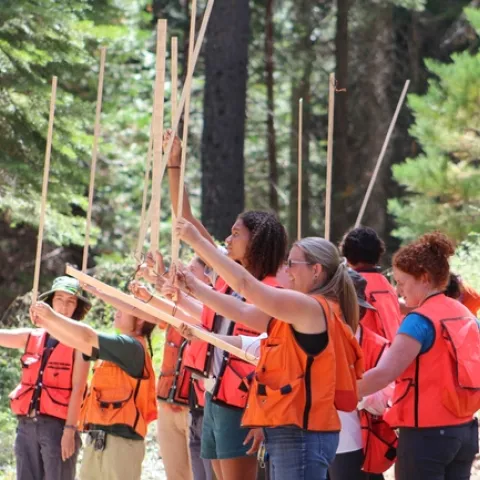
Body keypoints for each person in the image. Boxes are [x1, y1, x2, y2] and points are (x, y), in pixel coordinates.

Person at [172, 218, 363, 480]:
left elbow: (245, 285)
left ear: (316, 270)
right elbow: (242, 311)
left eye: (292, 263)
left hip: (302, 435)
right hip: (293, 431)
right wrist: (193, 287)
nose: (287, 269)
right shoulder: (302, 309)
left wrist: (197, 241)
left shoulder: (309, 307)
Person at [358, 232, 480, 480]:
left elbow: (384, 374)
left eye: (401, 282)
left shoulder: (419, 321)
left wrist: (338, 391)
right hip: (465, 431)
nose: (398, 290)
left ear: (424, 278)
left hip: (426, 435)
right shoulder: (465, 314)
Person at [30, 283, 158, 480]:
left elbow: (87, 336)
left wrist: (52, 316)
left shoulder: (132, 348)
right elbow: (77, 342)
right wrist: (46, 323)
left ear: (140, 318)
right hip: (98, 439)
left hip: (121, 443)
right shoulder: (121, 345)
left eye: (124, 307)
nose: (117, 311)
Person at [134, 254, 214, 480]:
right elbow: (157, 300)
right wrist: (154, 272)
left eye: (192, 271)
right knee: (175, 474)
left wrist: (155, 277)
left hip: (194, 407)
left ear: (208, 278)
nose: (184, 275)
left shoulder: (215, 313)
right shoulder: (175, 304)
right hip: (168, 404)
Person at [2, 276, 90, 480]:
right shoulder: (32, 336)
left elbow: (78, 388)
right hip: (26, 426)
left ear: (77, 306)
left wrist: (70, 430)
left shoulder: (82, 342)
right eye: (59, 299)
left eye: (70, 301)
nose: (64, 306)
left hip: (58, 428)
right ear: (50, 302)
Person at [328, 269, 395, 480]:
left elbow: (385, 400)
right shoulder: (314, 336)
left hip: (352, 442)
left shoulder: (378, 346)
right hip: (311, 439)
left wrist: (355, 393)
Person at [340, 226, 401, 340]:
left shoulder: (349, 285)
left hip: (366, 348)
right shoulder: (386, 284)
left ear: (346, 255)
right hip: (392, 347)